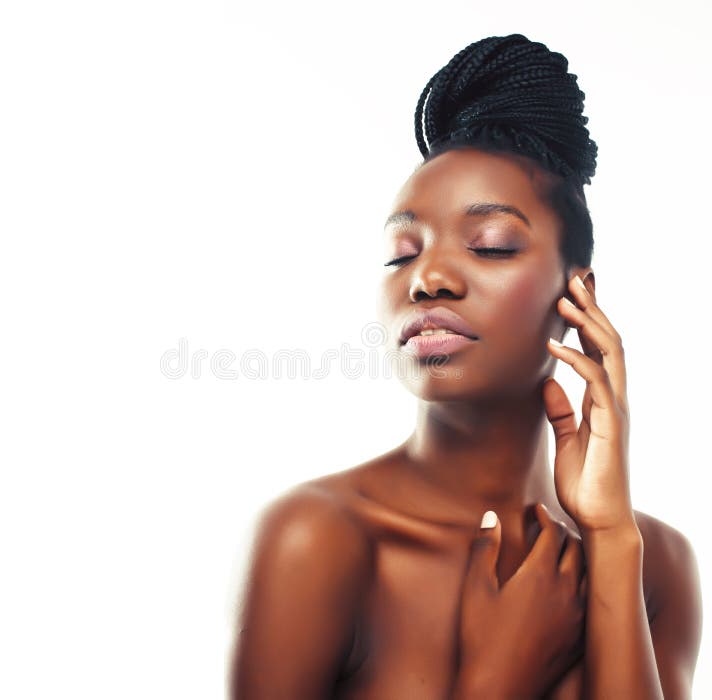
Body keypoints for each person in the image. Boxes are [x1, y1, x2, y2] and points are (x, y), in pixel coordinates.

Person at [227, 34, 702, 699]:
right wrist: (495, 681)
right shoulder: (320, 539)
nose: (428, 277)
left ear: (578, 295)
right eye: (402, 252)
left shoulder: (657, 562)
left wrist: (613, 543)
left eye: (491, 245)